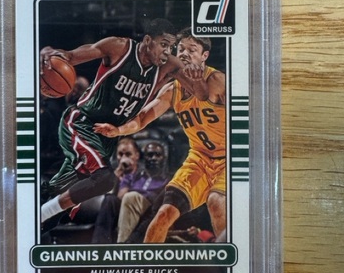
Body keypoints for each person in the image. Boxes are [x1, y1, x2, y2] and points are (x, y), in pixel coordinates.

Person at [39, 19, 208, 225]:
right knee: (105, 179)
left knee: (57, 198)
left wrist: (197, 76)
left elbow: (201, 94)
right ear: (148, 40)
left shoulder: (169, 65)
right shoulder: (119, 47)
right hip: (82, 123)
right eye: (163, 44)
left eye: (171, 47)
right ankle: (41, 214)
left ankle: (38, 217)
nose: (167, 52)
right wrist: (48, 53)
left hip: (107, 136)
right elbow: (70, 56)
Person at [94, 28, 227, 242]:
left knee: (216, 201)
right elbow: (142, 119)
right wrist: (118, 130)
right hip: (199, 159)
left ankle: (228, 258)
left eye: (191, 50)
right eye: (180, 49)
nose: (184, 54)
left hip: (228, 158)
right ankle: (146, 263)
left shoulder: (218, 80)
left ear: (205, 56)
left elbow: (246, 117)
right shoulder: (172, 90)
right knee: (163, 215)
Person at [91, 140, 169, 244]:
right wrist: (120, 173)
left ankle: (123, 246)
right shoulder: (133, 175)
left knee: (131, 197)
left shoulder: (168, 180)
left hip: (150, 211)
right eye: (150, 155)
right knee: (110, 199)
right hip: (130, 207)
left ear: (164, 158)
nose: (153, 158)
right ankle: (99, 246)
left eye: (157, 155)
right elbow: (120, 198)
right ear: (144, 158)